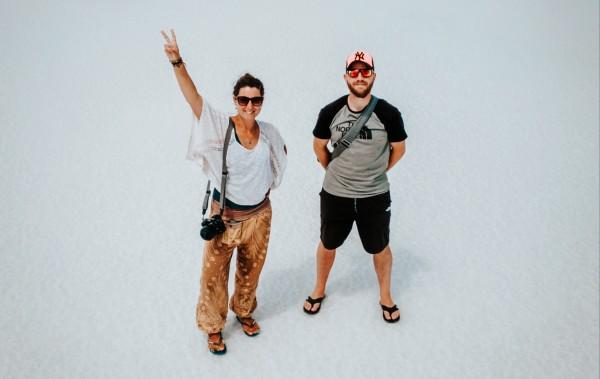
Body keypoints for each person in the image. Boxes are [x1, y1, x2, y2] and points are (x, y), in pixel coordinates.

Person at [161, 29, 287, 354]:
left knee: (251, 271)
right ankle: (213, 327)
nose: (249, 105)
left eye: (255, 100)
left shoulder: (269, 133)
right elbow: (195, 100)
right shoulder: (221, 127)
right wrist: (177, 61)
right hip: (226, 216)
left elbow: (277, 166)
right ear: (235, 100)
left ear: (261, 102)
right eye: (244, 99)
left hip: (260, 215)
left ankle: (244, 311)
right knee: (213, 277)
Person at [303, 51, 407, 323]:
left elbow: (399, 149)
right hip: (336, 194)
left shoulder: (389, 113)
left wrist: (377, 172)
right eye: (354, 71)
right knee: (328, 243)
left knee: (380, 247)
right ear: (346, 76)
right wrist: (334, 171)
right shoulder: (330, 111)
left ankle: (385, 295)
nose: (359, 77)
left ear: (373, 76)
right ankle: (319, 288)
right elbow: (318, 146)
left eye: (365, 71)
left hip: (374, 195)